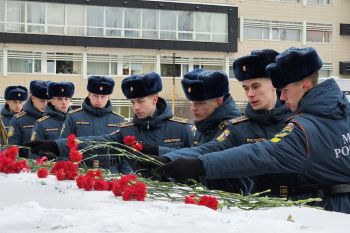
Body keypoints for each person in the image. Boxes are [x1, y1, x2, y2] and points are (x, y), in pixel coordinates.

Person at [155, 47, 350, 214]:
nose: (250, 94)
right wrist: (166, 155)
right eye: (246, 87)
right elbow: (213, 148)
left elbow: (263, 153)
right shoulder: (340, 111)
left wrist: (200, 165)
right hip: (292, 208)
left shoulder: (304, 127)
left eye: (256, 86)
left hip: (320, 209)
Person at [25, 72, 193, 174]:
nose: (135, 108)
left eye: (140, 101)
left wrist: (161, 152)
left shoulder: (181, 128)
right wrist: (55, 145)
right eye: (132, 102)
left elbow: (197, 158)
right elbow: (95, 141)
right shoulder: (127, 130)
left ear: (155, 99)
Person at [59, 76, 124, 139]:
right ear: (89, 95)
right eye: (95, 96)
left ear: (109, 97)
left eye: (103, 96)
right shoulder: (73, 117)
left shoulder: (119, 120)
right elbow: (63, 143)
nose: (99, 100)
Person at [8, 80, 49, 157]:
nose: (46, 104)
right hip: (29, 166)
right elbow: (13, 149)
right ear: (33, 98)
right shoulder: (18, 120)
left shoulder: (54, 118)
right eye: (42, 101)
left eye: (48, 101)